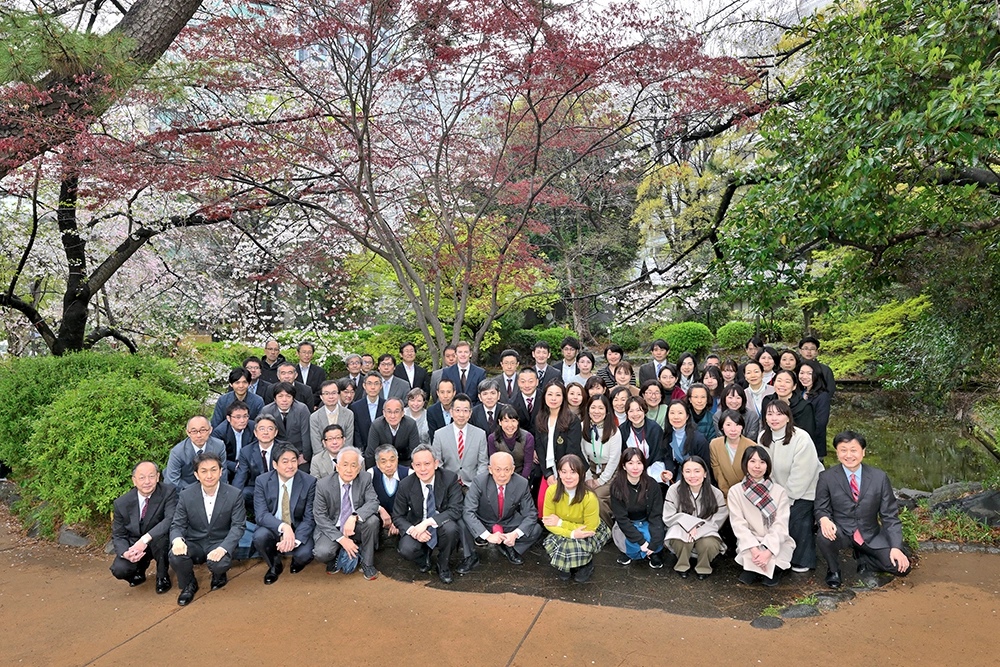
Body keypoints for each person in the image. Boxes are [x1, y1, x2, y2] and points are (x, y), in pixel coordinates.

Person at [815, 431, 911, 589]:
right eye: (843, 450)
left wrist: (896, 547)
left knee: (901, 568)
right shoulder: (827, 477)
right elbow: (820, 506)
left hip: (870, 533)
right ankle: (834, 570)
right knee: (824, 535)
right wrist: (823, 518)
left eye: (853, 450)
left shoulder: (879, 477)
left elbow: (890, 516)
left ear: (863, 452)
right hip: (842, 530)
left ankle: (864, 558)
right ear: (837, 453)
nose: (849, 455)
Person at [169, 451, 246, 606]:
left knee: (219, 563)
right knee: (175, 554)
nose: (209, 475)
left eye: (213, 470)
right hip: (195, 542)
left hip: (219, 541)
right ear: (197, 475)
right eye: (203, 471)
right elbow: (177, 524)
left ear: (221, 471)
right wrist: (177, 540)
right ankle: (189, 584)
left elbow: (238, 526)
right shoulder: (186, 495)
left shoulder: (234, 494)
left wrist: (223, 548)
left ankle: (219, 575)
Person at [759, 400, 822, 573]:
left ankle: (802, 559)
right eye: (770, 414)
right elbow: (764, 470)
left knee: (796, 518)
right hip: (776, 491)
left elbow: (803, 475)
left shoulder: (801, 438)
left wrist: (785, 500)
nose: (774, 418)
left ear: (788, 417)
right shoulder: (763, 437)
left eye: (779, 414)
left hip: (804, 491)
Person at [391, 445, 465, 584]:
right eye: (418, 465)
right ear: (413, 466)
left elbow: (456, 509)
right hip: (417, 525)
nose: (423, 469)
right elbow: (397, 516)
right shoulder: (406, 484)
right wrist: (414, 531)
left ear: (436, 464)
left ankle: (443, 566)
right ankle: (423, 558)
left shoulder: (449, 478)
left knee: (451, 529)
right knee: (406, 549)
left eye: (427, 464)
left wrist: (426, 523)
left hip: (440, 523)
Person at [728, 446, 795, 586]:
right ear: (746, 464)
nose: (757, 466)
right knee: (749, 555)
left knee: (775, 559)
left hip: (775, 541)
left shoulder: (779, 491)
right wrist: (755, 550)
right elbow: (738, 525)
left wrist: (767, 552)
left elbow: (781, 524)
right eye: (752, 461)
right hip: (751, 541)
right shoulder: (735, 491)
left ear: (768, 466)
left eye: (762, 462)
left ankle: (762, 567)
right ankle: (761, 567)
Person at [252, 443, 317, 584]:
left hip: (298, 527)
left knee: (305, 554)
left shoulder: (309, 481)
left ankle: (296, 561)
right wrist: (284, 527)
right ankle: (274, 564)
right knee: (260, 537)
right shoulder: (262, 481)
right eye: (285, 461)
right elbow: (261, 515)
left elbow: (309, 517)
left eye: (294, 460)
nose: (290, 466)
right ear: (275, 464)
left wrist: (294, 540)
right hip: (273, 527)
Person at [312, 446, 380, 580]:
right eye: (345, 464)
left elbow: (373, 502)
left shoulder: (365, 478)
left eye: (354, 465)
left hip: (356, 525)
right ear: (337, 466)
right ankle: (337, 553)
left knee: (372, 521)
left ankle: (367, 563)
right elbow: (319, 516)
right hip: (333, 526)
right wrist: (342, 539)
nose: (349, 470)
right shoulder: (323, 484)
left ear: (359, 468)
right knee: (322, 553)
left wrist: (355, 516)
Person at [463, 452, 543, 565]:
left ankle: (510, 547)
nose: (502, 475)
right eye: (498, 469)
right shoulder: (479, 482)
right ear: (490, 469)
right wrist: (487, 535)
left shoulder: (521, 483)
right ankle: (470, 556)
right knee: (463, 523)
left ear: (513, 469)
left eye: (506, 470)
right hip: (484, 521)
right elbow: (468, 511)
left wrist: (515, 534)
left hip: (507, 521)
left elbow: (530, 514)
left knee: (535, 529)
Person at [541, 454, 610, 582]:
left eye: (573, 472)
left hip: (589, 530)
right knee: (564, 541)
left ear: (581, 474)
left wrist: (560, 522)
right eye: (564, 472)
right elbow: (548, 522)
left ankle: (585, 564)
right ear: (559, 474)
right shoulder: (551, 491)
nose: (568, 477)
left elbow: (589, 528)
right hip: (572, 529)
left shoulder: (589, 497)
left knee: (578, 543)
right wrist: (572, 533)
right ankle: (567, 565)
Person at [110, 461, 177, 594]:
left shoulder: (168, 492)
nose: (147, 481)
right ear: (134, 481)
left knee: (162, 539)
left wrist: (145, 540)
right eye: (142, 477)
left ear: (158, 477)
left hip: (157, 539)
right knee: (119, 568)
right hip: (134, 542)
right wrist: (126, 553)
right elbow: (118, 535)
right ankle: (138, 571)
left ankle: (162, 576)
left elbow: (170, 519)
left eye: (151, 476)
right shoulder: (121, 503)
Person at [663, 456, 728, 579]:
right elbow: (668, 516)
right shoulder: (674, 490)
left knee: (708, 543)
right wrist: (689, 525)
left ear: (705, 473)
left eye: (697, 471)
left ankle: (704, 566)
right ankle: (682, 565)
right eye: (688, 471)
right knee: (681, 539)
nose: (692, 475)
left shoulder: (716, 493)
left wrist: (699, 528)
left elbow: (719, 517)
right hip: (681, 530)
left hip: (707, 530)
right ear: (682, 473)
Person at [609, 448, 665, 568]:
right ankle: (634, 552)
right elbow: (621, 518)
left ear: (644, 465)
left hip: (646, 521)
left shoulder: (652, 485)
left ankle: (654, 552)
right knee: (634, 542)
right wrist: (641, 541)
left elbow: (656, 515)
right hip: (627, 523)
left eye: (639, 463)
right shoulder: (616, 486)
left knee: (652, 538)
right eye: (630, 463)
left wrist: (654, 543)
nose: (635, 467)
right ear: (624, 466)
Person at [534, 381, 584, 499]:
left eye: (558, 395)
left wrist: (563, 475)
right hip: (549, 468)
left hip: (570, 470)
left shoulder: (572, 420)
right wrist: (548, 474)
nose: (553, 398)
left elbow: (572, 450)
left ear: (563, 397)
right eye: (550, 394)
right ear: (544, 396)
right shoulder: (540, 418)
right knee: (543, 501)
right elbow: (540, 448)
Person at [582, 394, 623, 526]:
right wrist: (588, 476)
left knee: (596, 496)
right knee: (583, 494)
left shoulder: (614, 431)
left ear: (607, 410)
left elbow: (614, 460)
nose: (596, 411)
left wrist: (601, 481)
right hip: (590, 468)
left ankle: (610, 526)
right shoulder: (582, 426)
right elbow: (582, 454)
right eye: (593, 407)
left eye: (601, 408)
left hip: (611, 471)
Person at [761, 369, 818, 453]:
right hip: (771, 445)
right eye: (779, 380)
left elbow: (808, 435)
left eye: (787, 382)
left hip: (795, 448)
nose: (782, 385)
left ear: (794, 386)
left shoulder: (804, 406)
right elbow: (765, 425)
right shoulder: (767, 401)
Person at [165, 416, 227, 491]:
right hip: (186, 490)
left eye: (203, 430)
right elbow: (172, 481)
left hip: (212, 489)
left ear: (210, 430)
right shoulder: (177, 452)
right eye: (194, 431)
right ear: (188, 432)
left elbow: (222, 473)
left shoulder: (219, 446)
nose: (199, 435)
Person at [259, 382, 312, 469]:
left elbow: (306, 434)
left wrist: (305, 456)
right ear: (275, 399)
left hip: (298, 452)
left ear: (293, 398)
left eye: (288, 396)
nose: (284, 400)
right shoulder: (267, 410)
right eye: (280, 396)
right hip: (276, 453)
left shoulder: (302, 409)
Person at [233, 415, 282, 509]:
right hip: (257, 488)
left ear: (275, 432)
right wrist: (233, 498)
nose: (266, 432)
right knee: (243, 493)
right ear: (255, 433)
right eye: (262, 429)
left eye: (270, 429)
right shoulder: (246, 451)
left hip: (279, 487)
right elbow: (240, 477)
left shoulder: (283, 449)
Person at [661, 400, 711, 485]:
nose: (676, 417)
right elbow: (668, 457)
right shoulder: (667, 436)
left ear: (687, 416)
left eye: (680, 413)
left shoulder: (698, 439)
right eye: (672, 413)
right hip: (677, 477)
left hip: (696, 479)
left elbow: (706, 466)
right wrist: (670, 472)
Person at [367, 444, 411, 539]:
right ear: (377, 464)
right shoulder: (371, 474)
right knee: (371, 520)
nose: (388, 465)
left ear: (397, 459)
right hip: (379, 516)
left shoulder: (409, 474)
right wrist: (380, 509)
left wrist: (399, 521)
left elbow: (413, 504)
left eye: (392, 460)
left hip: (404, 516)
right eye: (383, 462)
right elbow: (366, 499)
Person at [709, 410, 756, 498]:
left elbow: (753, 474)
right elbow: (717, 472)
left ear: (742, 427)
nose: (733, 429)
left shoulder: (752, 446)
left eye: (737, 424)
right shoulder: (715, 444)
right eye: (728, 425)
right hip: (725, 494)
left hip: (747, 493)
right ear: (722, 427)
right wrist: (727, 492)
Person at [619, 395, 663, 484]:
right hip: (631, 467)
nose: (635, 414)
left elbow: (657, 453)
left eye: (638, 410)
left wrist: (643, 467)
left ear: (644, 410)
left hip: (653, 466)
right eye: (631, 411)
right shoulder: (622, 430)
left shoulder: (655, 428)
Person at [365, 397, 420, 469]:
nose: (393, 416)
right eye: (389, 412)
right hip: (382, 465)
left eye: (396, 412)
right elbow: (371, 453)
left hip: (405, 464)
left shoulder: (411, 424)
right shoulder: (376, 425)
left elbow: (414, 452)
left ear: (403, 413)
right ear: (384, 413)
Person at [310, 380, 355, 461]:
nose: (330, 397)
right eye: (326, 394)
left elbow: (348, 442)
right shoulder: (314, 417)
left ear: (338, 394)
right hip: (321, 460)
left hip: (344, 458)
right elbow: (317, 446)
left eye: (334, 393)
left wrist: (341, 460)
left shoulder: (349, 414)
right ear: (321, 397)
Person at [211, 401, 257, 483]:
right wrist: (235, 466)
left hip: (248, 464)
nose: (242, 420)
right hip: (229, 465)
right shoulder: (220, 432)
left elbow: (256, 448)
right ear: (228, 418)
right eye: (238, 417)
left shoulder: (253, 427)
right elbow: (218, 457)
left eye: (245, 416)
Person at [488, 405, 535, 480]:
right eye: (506, 421)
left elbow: (528, 464)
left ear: (518, 422)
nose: (510, 425)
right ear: (500, 422)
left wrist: (521, 482)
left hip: (521, 477)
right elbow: (494, 463)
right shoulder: (492, 438)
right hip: (500, 477)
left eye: (513, 421)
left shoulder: (528, 437)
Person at [799, 359, 831, 459]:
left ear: (817, 374)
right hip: (798, 444)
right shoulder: (800, 393)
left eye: (809, 373)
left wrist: (804, 439)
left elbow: (820, 423)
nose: (804, 377)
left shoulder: (822, 396)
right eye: (802, 373)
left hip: (814, 445)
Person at [350, 372, 386, 451]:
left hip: (383, 451)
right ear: (364, 386)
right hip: (362, 451)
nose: (373, 387)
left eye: (376, 384)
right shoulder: (355, 407)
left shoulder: (386, 405)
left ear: (381, 386)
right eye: (369, 383)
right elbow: (356, 432)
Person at [295, 341, 327, 409]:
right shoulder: (292, 371)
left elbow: (321, 390)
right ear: (297, 353)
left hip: (313, 407)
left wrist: (310, 403)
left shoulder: (319, 371)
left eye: (309, 352)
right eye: (304, 352)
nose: (307, 355)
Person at [511, 367, 542, 438]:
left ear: (537, 382)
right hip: (521, 441)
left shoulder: (545, 399)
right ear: (518, 382)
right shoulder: (512, 402)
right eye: (523, 381)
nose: (527, 385)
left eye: (531, 381)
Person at [426, 377, 455, 442]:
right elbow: (433, 436)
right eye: (442, 392)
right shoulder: (431, 411)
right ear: (437, 393)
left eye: (449, 392)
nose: (445, 396)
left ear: (454, 393)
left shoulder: (460, 409)